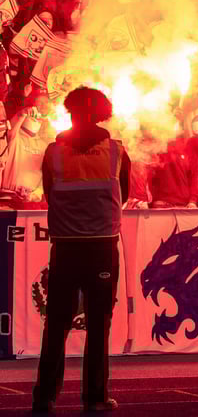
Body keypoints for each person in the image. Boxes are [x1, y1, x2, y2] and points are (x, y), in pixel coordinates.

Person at [32, 86, 130, 413]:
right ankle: (95, 398)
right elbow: (124, 196)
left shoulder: (53, 152)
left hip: (65, 248)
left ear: (69, 112)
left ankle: (44, 398)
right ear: (103, 113)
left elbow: (49, 193)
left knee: (56, 324)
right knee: (99, 325)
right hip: (102, 246)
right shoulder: (117, 152)